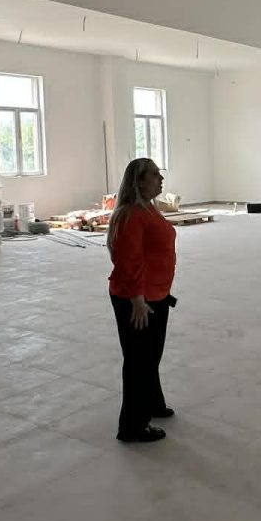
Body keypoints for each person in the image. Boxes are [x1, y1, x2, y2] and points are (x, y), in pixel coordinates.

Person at [106, 157, 177, 443]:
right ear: (138, 180)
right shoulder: (132, 215)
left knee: (150, 356)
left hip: (155, 294)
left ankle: (152, 404)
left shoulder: (148, 208)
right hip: (138, 299)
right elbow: (128, 260)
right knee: (139, 361)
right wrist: (137, 299)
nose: (161, 179)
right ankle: (133, 426)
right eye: (155, 175)